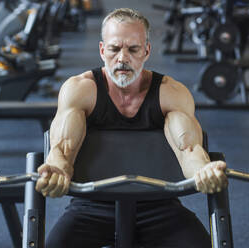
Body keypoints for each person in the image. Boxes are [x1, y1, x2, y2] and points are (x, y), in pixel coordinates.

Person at [35, 8, 228, 248]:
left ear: (146, 50)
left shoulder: (170, 93)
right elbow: (63, 147)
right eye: (115, 49)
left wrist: (203, 171)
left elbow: (189, 149)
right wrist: (57, 170)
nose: (123, 58)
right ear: (102, 50)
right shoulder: (81, 89)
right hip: (93, 207)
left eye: (133, 49)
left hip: (159, 207)